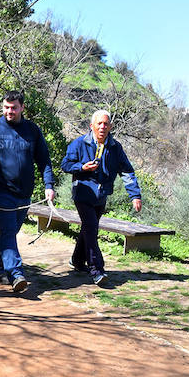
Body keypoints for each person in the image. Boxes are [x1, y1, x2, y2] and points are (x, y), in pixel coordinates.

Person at [0, 90, 55, 293]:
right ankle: (15, 273)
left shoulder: (33, 130)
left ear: (22, 108)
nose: (9, 111)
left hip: (24, 192)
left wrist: (49, 186)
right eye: (6, 107)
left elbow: (44, 161)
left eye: (14, 108)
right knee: (8, 230)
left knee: (9, 231)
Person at [61, 110, 141, 286]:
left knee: (88, 228)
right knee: (91, 228)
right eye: (99, 124)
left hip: (101, 196)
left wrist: (135, 195)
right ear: (92, 126)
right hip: (82, 194)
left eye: (106, 124)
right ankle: (97, 269)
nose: (102, 127)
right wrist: (82, 167)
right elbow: (65, 165)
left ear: (110, 126)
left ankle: (76, 260)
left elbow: (127, 171)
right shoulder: (79, 143)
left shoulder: (115, 147)